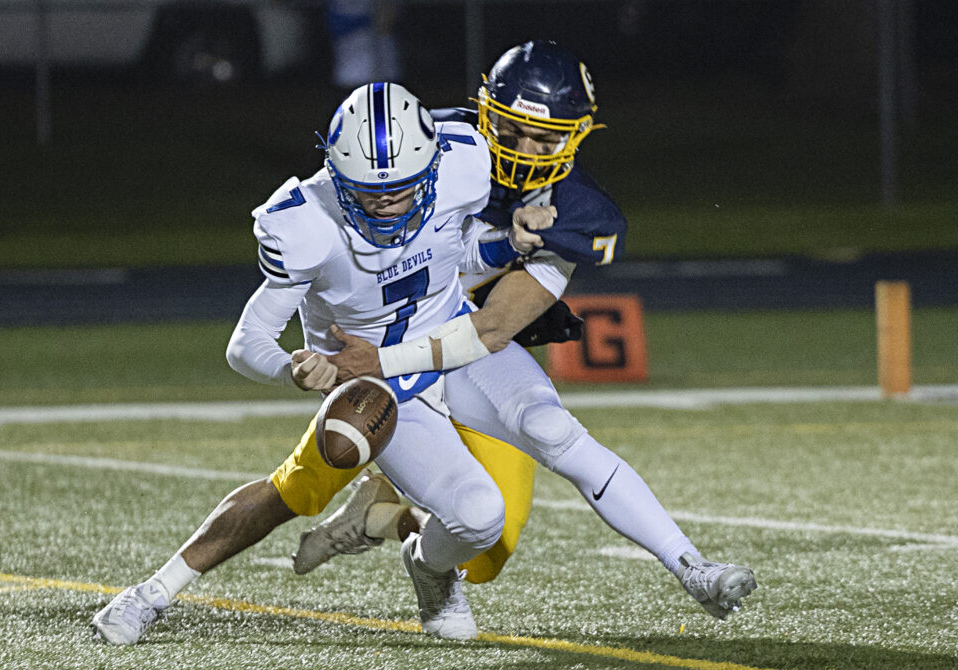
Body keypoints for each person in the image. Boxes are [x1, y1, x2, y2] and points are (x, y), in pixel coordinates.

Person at [298, 40, 758, 622]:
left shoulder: (574, 212)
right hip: (371, 344)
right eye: (511, 131)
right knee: (292, 488)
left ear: (577, 136)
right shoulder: (431, 148)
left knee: (501, 517)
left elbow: (489, 329)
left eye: (545, 139)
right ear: (486, 113)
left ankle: (692, 567)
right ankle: (163, 587)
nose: (524, 151)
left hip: (455, 346)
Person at [92, 81, 541, 645]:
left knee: (500, 530)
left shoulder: (464, 165)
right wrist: (292, 368)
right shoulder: (306, 223)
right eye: (367, 190)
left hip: (458, 355)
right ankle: (151, 593)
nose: (384, 203)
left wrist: (509, 244)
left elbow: (456, 248)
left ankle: (423, 559)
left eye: (402, 189)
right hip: (377, 389)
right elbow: (247, 340)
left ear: (431, 170)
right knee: (452, 510)